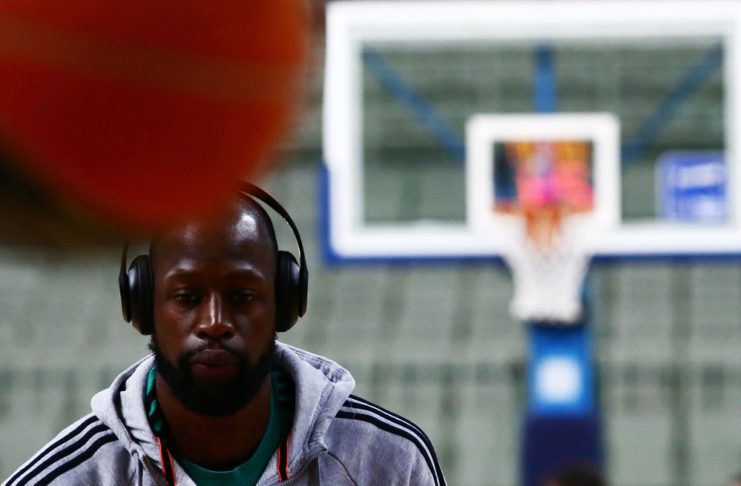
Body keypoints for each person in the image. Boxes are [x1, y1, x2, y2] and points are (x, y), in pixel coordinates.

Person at [4, 183, 445, 486]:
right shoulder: (68, 477)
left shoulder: (390, 462)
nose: (214, 321)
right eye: (187, 296)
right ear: (142, 305)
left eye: (242, 296)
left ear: (285, 303)